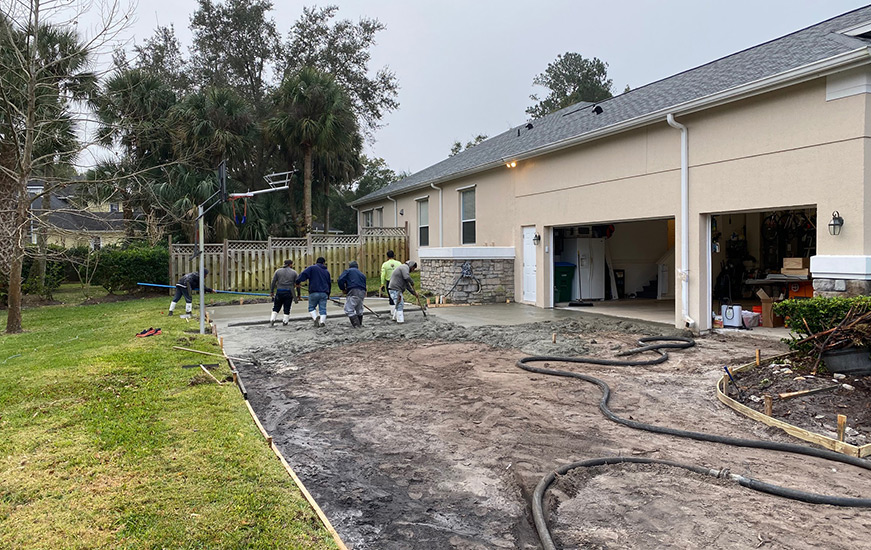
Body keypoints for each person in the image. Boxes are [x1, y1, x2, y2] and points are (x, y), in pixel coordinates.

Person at [296, 257, 331, 327]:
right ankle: (322, 321)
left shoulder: (312, 268)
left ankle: (315, 318)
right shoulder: (326, 272)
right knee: (323, 309)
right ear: (324, 263)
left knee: (311, 307)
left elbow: (303, 274)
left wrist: (297, 282)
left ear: (316, 262)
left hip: (313, 291)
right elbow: (329, 283)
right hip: (324, 292)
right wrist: (328, 294)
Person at [270, 259, 300, 327]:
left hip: (280, 291)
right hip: (289, 291)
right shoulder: (294, 272)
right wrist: (298, 295)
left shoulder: (278, 271)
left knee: (276, 307)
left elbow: (273, 282)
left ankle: (272, 320)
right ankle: (285, 321)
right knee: (287, 307)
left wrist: (272, 291)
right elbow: (298, 285)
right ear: (291, 264)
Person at [338, 260, 367, 328]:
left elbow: (340, 280)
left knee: (349, 309)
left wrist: (343, 289)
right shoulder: (362, 274)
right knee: (359, 309)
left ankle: (356, 326)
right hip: (362, 292)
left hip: (353, 290)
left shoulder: (348, 271)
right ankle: (360, 324)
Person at [387, 260, 418, 324]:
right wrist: (412, 282)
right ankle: (400, 320)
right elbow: (407, 277)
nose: (413, 270)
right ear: (411, 266)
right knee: (400, 304)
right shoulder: (404, 268)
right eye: (413, 268)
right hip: (395, 289)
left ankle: (394, 318)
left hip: (394, 289)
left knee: (398, 304)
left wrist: (413, 293)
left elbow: (407, 285)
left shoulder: (403, 270)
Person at [380, 250, 402, 319]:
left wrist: (382, 284)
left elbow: (383, 275)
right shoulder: (399, 263)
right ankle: (399, 312)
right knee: (398, 297)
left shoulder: (385, 264)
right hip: (398, 282)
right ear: (394, 256)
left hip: (389, 282)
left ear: (387, 256)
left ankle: (393, 313)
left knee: (391, 297)